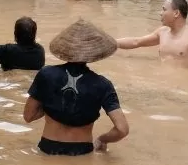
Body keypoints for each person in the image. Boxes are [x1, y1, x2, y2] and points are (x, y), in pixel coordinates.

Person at [22, 19, 129, 155]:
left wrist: (49, 105)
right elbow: (122, 129)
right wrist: (102, 139)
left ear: (65, 48)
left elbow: (28, 116)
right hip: (83, 151)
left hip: (48, 148)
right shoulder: (103, 84)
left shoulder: (46, 74)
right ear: (94, 52)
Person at [116, 0, 188, 68]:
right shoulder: (162, 32)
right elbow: (136, 42)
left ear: (176, 13)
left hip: (184, 90)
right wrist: (110, 42)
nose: (160, 13)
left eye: (164, 10)